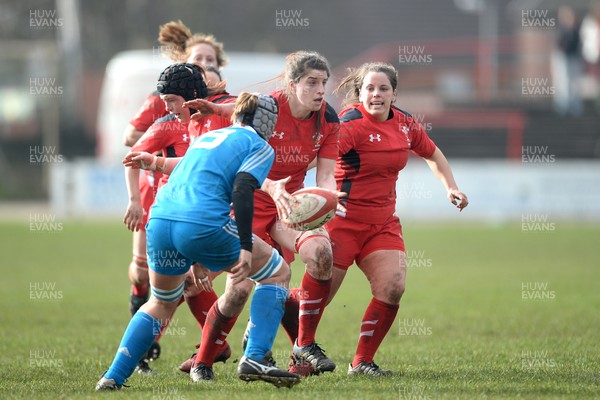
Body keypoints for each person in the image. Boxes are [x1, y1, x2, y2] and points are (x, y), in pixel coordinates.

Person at [96, 85, 302, 390]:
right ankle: (256, 357)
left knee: (160, 302)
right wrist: (245, 246)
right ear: (268, 122)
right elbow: (243, 189)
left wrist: (154, 163)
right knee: (276, 272)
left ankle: (113, 376)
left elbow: (189, 170)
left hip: (162, 221)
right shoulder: (259, 145)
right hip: (201, 222)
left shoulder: (209, 138)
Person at [183, 50, 341, 376]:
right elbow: (241, 114)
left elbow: (325, 174)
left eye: (323, 83)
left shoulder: (327, 119)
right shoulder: (269, 105)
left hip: (287, 210)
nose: (320, 90)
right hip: (246, 206)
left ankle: (303, 345)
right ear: (292, 84)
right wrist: (214, 108)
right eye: (312, 82)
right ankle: (204, 359)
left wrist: (330, 195)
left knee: (322, 253)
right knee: (234, 290)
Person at [327, 62, 468, 376]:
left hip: (383, 224)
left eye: (383, 88)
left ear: (393, 93)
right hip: (342, 222)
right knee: (318, 298)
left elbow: (432, 153)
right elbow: (320, 159)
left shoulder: (405, 123)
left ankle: (362, 362)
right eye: (370, 88)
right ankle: (286, 343)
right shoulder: (349, 124)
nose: (376, 94)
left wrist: (451, 187)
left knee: (393, 286)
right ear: (360, 92)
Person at [120, 20, 231, 372]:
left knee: (190, 281)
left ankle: (228, 348)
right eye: (197, 60)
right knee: (147, 277)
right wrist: (138, 195)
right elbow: (131, 144)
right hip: (160, 200)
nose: (203, 66)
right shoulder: (163, 105)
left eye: (209, 62)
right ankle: (216, 347)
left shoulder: (222, 112)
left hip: (208, 207)